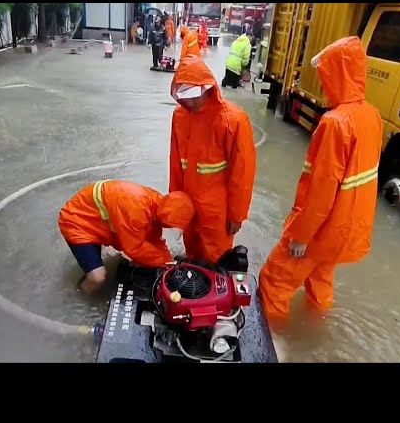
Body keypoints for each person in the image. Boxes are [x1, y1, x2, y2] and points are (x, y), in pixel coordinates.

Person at [258, 36, 383, 330]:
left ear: (339, 74)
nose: (324, 84)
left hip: (320, 230)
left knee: (273, 281)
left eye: (327, 76)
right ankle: (316, 329)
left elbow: (322, 188)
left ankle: (273, 342)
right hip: (345, 229)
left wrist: (301, 235)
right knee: (320, 280)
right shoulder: (372, 116)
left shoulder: (335, 122)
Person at [169, 55, 257, 264]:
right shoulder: (180, 116)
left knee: (215, 257)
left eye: (194, 96)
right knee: (191, 244)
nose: (189, 102)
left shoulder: (232, 120)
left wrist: (237, 215)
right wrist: (176, 205)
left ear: (208, 88)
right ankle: (192, 263)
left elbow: (242, 172)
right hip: (188, 201)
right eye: (184, 97)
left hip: (217, 209)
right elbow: (175, 164)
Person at [58, 180, 195, 295]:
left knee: (141, 257)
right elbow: (135, 248)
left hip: (95, 220)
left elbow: (154, 241)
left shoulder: (157, 205)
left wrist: (169, 262)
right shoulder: (137, 211)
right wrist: (165, 263)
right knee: (97, 277)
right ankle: (78, 297)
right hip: (76, 221)